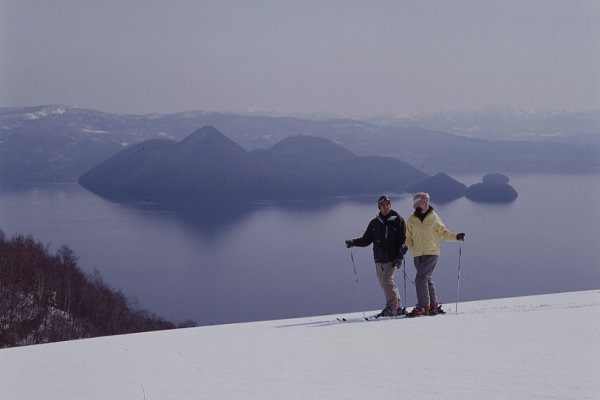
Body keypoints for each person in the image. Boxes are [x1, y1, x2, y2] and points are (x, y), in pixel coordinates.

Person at [345, 195, 407, 317]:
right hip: (378, 259)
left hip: (392, 258)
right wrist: (353, 242)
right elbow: (366, 239)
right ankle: (398, 307)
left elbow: (403, 240)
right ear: (379, 207)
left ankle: (392, 307)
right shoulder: (374, 223)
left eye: (387, 203)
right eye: (383, 204)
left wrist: (400, 257)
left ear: (390, 205)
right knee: (385, 283)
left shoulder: (398, 220)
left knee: (387, 280)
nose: (385, 206)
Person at [405, 192, 465, 317]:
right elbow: (408, 238)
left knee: (420, 279)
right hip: (417, 254)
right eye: (423, 201)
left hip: (431, 252)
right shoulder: (411, 220)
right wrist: (405, 248)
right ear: (417, 204)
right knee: (427, 278)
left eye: (427, 200)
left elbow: (443, 233)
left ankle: (423, 307)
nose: (426, 203)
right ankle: (433, 306)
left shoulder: (433, 217)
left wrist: (456, 236)